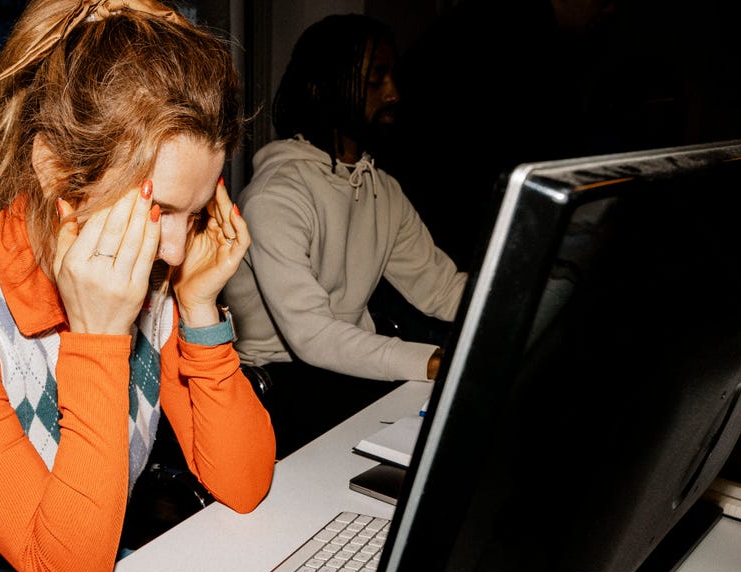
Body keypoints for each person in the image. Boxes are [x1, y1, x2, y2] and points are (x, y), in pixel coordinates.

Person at [0, 1, 276, 572]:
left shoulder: (154, 281)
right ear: (55, 168)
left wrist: (198, 309)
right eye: (159, 209)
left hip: (95, 557)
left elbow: (244, 483)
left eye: (194, 214)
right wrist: (100, 342)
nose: (173, 249)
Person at [222, 14, 467, 459]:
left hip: (342, 373)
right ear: (322, 89)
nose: (393, 93)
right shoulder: (276, 197)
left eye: (392, 77)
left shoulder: (381, 188)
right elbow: (312, 336)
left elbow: (442, 290)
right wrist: (432, 361)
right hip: (277, 387)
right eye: (376, 79)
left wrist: (518, 305)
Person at [388, 0, 618, 266]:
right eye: (603, 0)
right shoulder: (506, 34)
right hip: (454, 238)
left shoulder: (527, 36)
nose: (609, 9)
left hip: (462, 236)